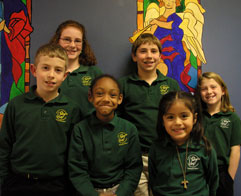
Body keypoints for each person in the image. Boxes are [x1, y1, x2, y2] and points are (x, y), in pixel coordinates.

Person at [0, 44, 82, 196]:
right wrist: (3, 182)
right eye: (45, 68)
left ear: (64, 76)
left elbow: (75, 153)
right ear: (33, 70)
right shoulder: (16, 105)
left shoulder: (72, 109)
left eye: (58, 70)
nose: (51, 75)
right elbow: (4, 147)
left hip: (56, 185)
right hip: (18, 184)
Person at [118, 33, 180, 196]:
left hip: (165, 155)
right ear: (134, 56)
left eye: (153, 51)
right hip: (134, 157)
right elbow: (116, 122)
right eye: (143, 51)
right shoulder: (123, 85)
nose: (149, 56)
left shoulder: (171, 85)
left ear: (160, 56)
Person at [68, 74, 142, 196]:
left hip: (120, 189)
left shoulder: (129, 129)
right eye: (99, 94)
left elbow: (133, 168)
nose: (106, 99)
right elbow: (77, 170)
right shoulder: (80, 130)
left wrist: (120, 193)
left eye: (112, 95)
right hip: (89, 190)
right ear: (90, 96)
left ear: (120, 99)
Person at [149, 91, 219, 196]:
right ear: (163, 121)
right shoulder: (156, 148)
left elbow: (213, 181)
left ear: (194, 118)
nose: (177, 122)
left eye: (184, 116)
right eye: (170, 117)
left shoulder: (204, 147)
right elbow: (154, 180)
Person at [197, 72, 241, 196]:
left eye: (213, 87)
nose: (209, 91)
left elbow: (235, 150)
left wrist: (229, 178)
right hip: (199, 171)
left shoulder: (232, 117)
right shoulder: (197, 117)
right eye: (204, 89)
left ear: (223, 91)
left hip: (222, 172)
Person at [49, 20, 102, 117]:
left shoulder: (94, 72)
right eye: (67, 39)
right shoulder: (49, 73)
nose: (72, 45)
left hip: (88, 130)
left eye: (77, 41)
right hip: (57, 129)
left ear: (83, 44)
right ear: (57, 41)